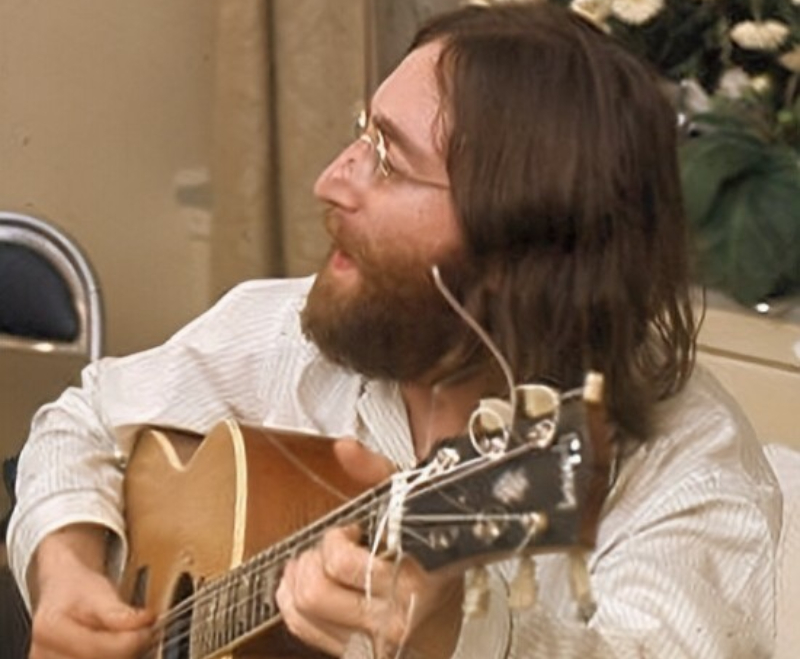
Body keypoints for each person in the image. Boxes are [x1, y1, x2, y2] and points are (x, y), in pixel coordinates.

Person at [7, 3, 781, 658]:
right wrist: (67, 566)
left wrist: (457, 632)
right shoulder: (293, 331)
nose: (330, 179)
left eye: (388, 159)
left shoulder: (685, 468)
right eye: (361, 133)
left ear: (519, 251)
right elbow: (85, 420)